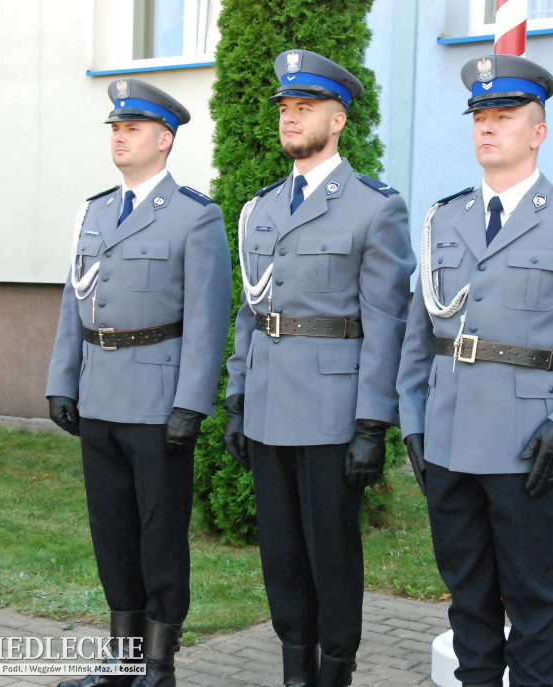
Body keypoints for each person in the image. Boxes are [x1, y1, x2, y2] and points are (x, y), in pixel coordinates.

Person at [396, 55, 553, 687]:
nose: (488, 127)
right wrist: (411, 422)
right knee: (468, 595)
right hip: (447, 436)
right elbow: (419, 334)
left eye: (505, 116)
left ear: (539, 132)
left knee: (530, 598)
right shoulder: (443, 219)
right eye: (480, 115)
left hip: (528, 443)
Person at [222, 49, 415, 687]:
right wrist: (237, 397)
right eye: (285, 107)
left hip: (334, 413)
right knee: (279, 554)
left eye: (304, 109)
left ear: (337, 121)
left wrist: (372, 424)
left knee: (331, 554)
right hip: (272, 405)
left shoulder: (372, 206)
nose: (290, 118)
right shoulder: (262, 208)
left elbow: (385, 322)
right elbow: (253, 311)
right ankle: (294, 672)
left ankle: (336, 672)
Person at [46, 79, 231, 687]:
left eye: (132, 128)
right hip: (99, 389)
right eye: (115, 129)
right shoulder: (94, 211)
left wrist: (191, 403)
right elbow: (76, 301)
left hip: (157, 399)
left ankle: (159, 662)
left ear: (165, 139)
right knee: (112, 530)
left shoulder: (194, 215)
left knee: (159, 532)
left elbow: (208, 318)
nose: (120, 137)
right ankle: (121, 660)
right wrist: (62, 379)